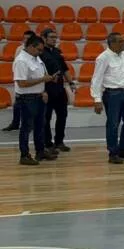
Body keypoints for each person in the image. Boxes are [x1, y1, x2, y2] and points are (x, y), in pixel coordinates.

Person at [91, 33, 124, 164]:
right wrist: (97, 99)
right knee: (113, 124)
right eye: (121, 41)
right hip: (112, 94)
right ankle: (113, 152)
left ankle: (123, 148)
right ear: (112, 43)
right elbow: (96, 79)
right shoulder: (103, 58)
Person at [13, 35, 58, 165]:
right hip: (27, 98)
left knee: (40, 126)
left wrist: (44, 88)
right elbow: (22, 83)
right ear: (30, 46)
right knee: (26, 128)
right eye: (39, 49)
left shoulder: (36, 58)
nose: (40, 52)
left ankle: (40, 151)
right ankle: (24, 155)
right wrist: (43, 79)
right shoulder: (21, 61)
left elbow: (40, 75)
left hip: (39, 97)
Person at [40, 28, 74, 153]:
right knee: (46, 118)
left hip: (59, 88)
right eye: (51, 37)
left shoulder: (57, 52)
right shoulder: (39, 53)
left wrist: (71, 82)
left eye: (55, 37)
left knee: (62, 115)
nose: (54, 39)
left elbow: (65, 69)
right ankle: (48, 143)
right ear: (44, 38)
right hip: (46, 88)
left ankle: (59, 141)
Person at [3, 30, 36, 132]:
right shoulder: (19, 49)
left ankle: (30, 124)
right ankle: (15, 123)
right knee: (17, 103)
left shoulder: (37, 50)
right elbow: (15, 63)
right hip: (20, 79)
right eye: (24, 38)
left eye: (28, 38)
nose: (25, 40)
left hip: (32, 80)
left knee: (31, 104)